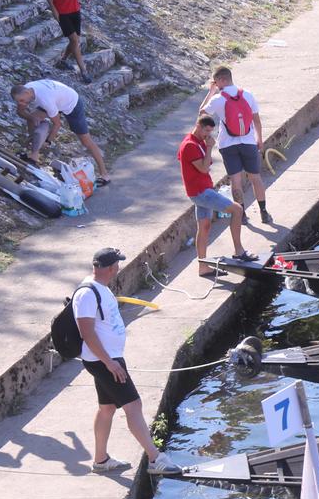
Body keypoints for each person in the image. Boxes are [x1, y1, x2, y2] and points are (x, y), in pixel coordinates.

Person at [74, 247, 179, 475]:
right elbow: (87, 333)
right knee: (134, 405)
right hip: (104, 361)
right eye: (117, 265)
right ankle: (154, 458)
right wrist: (110, 364)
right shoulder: (87, 295)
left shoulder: (99, 288)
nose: (119, 268)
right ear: (111, 268)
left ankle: (101, 460)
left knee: (107, 408)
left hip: (108, 358)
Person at [177, 115, 251, 276]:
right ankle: (239, 251)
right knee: (237, 210)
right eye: (206, 130)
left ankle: (203, 267)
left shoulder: (197, 142)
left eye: (211, 131)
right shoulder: (190, 145)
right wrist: (209, 147)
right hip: (201, 192)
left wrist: (206, 146)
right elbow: (203, 169)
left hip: (200, 190)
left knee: (204, 227)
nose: (208, 134)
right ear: (198, 126)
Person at [199, 67, 269, 223]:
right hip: (249, 142)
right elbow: (256, 120)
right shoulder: (247, 94)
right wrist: (260, 139)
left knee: (236, 181)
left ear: (222, 80)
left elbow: (201, 114)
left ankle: (242, 215)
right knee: (255, 178)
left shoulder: (218, 99)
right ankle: (264, 213)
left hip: (227, 145)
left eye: (216, 82)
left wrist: (210, 92)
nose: (216, 85)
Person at [12, 79, 111, 181]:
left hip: (72, 104)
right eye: (18, 101)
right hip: (56, 99)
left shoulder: (45, 100)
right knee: (32, 118)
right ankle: (33, 155)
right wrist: (32, 118)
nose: (21, 103)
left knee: (86, 141)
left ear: (27, 92)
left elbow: (57, 124)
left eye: (22, 101)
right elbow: (20, 112)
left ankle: (104, 174)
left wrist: (48, 141)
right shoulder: (26, 91)